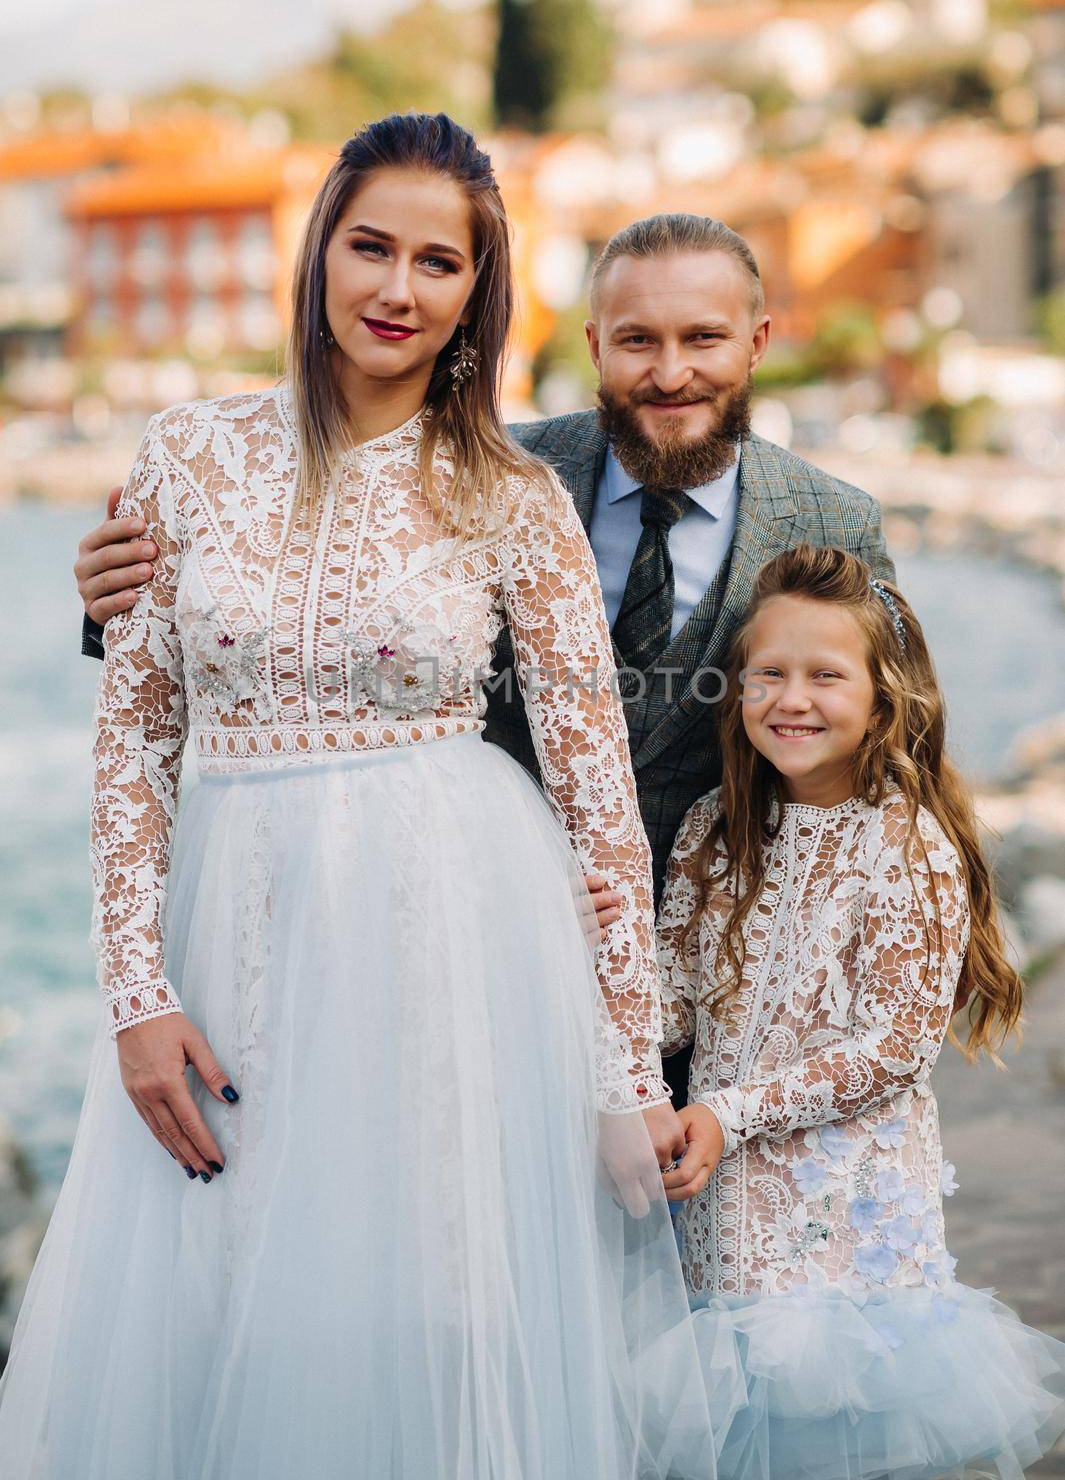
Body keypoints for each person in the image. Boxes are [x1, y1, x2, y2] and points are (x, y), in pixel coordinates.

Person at [0, 114, 721, 1480]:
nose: (397, 288)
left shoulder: (511, 497)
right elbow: (136, 740)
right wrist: (136, 997)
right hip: (237, 924)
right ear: (318, 251)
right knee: (218, 1304)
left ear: (475, 292)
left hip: (447, 931)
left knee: (427, 1301)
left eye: (437, 262)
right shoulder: (186, 454)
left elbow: (598, 798)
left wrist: (628, 1069)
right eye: (370, 245)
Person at [74, 211, 897, 1108]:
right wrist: (115, 601)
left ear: (758, 342)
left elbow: (887, 742)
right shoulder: (495, 468)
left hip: (737, 993)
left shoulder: (832, 520)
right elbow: (321, 616)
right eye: (636, 340)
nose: (670, 372)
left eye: (703, 338)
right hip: (477, 963)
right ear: (593, 346)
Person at [653, 544, 1065, 1480]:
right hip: (718, 1217)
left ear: (885, 696)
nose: (791, 698)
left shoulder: (905, 839)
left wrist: (728, 1112)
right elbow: (671, 1003)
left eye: (824, 676)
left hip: (839, 1227)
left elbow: (893, 1044)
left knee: (833, 1443)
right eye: (768, 673)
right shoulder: (713, 828)